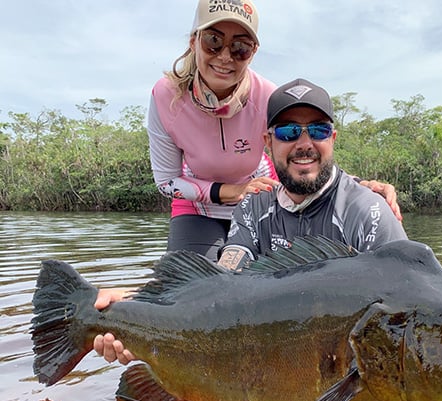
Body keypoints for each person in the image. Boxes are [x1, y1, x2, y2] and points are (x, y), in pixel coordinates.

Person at [94, 78, 442, 401]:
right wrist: (136, 303)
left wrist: (419, 388)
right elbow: (221, 285)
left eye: (318, 131)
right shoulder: (255, 205)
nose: (304, 144)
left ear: (332, 140)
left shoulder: (369, 211)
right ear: (268, 142)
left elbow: (413, 306)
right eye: (289, 132)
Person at [147, 0, 401, 261]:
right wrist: (235, 191)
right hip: (199, 207)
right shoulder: (165, 96)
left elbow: (302, 150)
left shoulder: (268, 97)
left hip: (260, 200)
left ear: (253, 52)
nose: (225, 56)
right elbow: (166, 182)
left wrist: (358, 186)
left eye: (239, 47)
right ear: (193, 41)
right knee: (189, 289)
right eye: (213, 40)